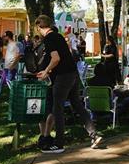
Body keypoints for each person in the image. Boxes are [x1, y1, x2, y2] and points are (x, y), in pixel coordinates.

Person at [34, 15, 101, 153]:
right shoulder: (58, 36)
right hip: (73, 74)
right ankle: (94, 134)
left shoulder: (49, 38)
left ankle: (59, 144)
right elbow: (62, 57)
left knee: (57, 109)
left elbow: (56, 58)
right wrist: (49, 69)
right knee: (77, 105)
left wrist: (46, 71)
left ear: (39, 27)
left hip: (62, 77)